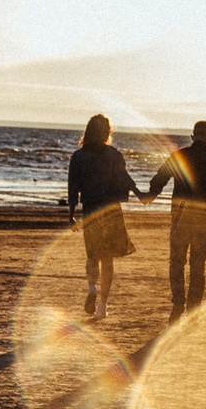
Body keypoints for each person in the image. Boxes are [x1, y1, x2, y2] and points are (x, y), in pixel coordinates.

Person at [139, 119, 206, 318]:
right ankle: (193, 308)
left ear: (192, 136)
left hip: (180, 216)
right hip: (205, 218)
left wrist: (150, 195)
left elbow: (160, 178)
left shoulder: (180, 156)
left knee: (176, 261)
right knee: (198, 264)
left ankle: (178, 303)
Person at [65, 113, 136, 320]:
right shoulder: (114, 155)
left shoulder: (78, 157)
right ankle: (103, 305)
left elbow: (73, 188)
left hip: (91, 211)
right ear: (107, 133)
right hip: (111, 211)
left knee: (92, 255)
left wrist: (71, 216)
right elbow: (123, 182)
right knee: (108, 259)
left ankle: (91, 288)